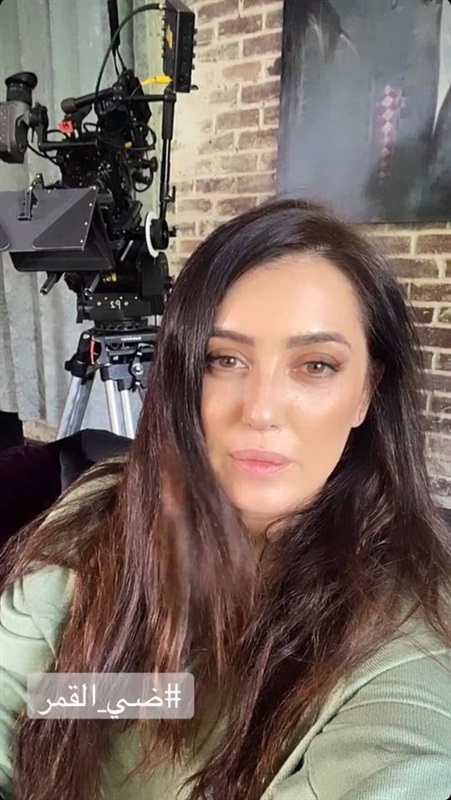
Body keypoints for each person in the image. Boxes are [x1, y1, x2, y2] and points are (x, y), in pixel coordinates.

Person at [0, 199, 450, 800]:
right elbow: (25, 701)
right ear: (184, 372)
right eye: (224, 359)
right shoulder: (106, 508)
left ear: (367, 391)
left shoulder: (407, 630)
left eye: (316, 365)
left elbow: (404, 762)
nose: (260, 410)